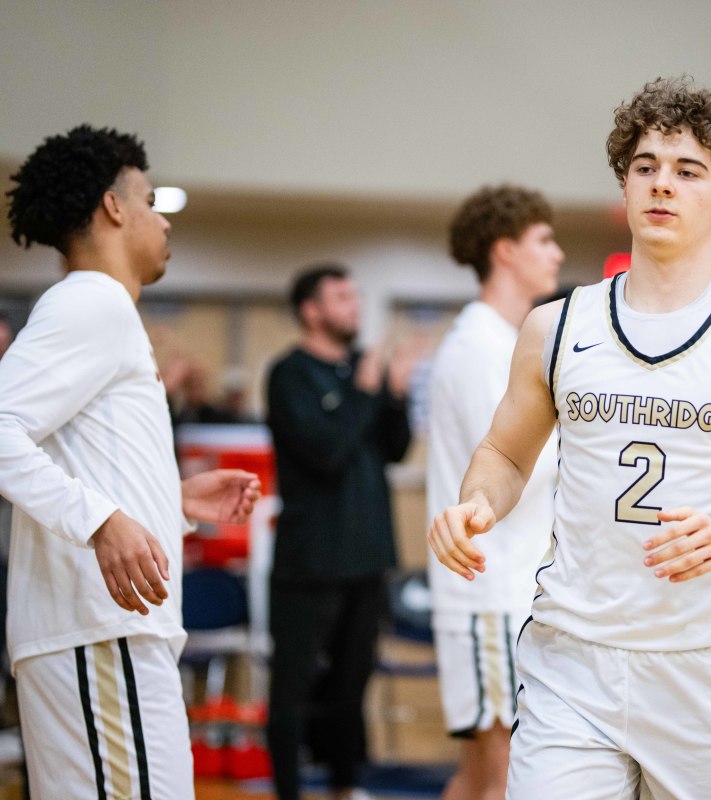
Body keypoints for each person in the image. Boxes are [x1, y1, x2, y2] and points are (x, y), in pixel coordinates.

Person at [429, 76, 711, 799]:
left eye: (688, 171)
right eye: (646, 167)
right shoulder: (555, 327)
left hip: (702, 671)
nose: (662, 185)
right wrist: (478, 504)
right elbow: (503, 455)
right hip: (571, 665)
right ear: (624, 187)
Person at [0, 125, 261, 799]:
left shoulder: (97, 310)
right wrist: (101, 520)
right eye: (148, 199)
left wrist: (171, 502)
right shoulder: (93, 300)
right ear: (114, 208)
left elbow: (80, 458)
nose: (162, 217)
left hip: (102, 636)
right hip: (98, 633)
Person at [426, 185, 563, 800]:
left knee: (486, 776)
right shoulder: (481, 344)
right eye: (544, 240)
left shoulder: (501, 339)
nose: (557, 254)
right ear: (505, 251)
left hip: (509, 586)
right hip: (491, 588)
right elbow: (516, 465)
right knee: (500, 777)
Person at [265, 264, 416, 800]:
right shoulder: (289, 374)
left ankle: (344, 788)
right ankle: (287, 791)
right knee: (294, 688)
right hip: (311, 561)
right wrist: (365, 390)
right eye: (341, 298)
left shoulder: (361, 369)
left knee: (352, 687)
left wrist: (393, 395)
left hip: (368, 555)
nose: (354, 307)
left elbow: (393, 449)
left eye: (356, 297)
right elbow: (325, 452)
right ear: (312, 311)